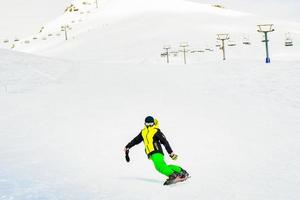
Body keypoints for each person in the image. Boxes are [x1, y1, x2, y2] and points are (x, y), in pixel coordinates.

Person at [124, 116, 189, 185]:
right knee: (163, 166)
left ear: (153, 123)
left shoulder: (156, 130)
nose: (149, 125)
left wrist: (171, 153)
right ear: (145, 123)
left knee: (159, 166)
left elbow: (165, 142)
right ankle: (181, 171)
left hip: (156, 150)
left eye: (151, 124)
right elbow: (136, 140)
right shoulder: (143, 132)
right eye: (147, 124)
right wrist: (128, 146)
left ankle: (173, 175)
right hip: (150, 153)